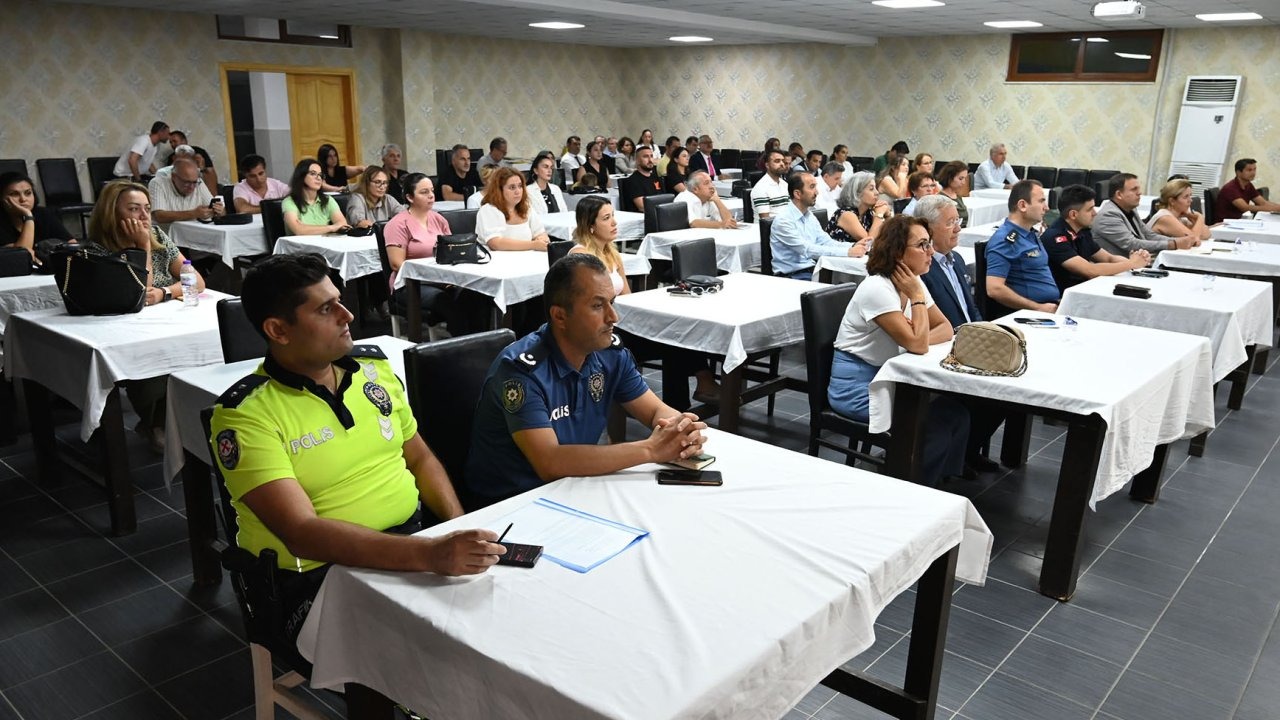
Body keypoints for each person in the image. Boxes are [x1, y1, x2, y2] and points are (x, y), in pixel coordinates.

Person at [208, 252, 503, 655]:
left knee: (504, 610)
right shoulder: (245, 416)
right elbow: (303, 534)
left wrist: (456, 527)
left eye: (340, 300)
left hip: (412, 543)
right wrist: (430, 554)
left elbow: (419, 458)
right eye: (326, 309)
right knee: (445, 649)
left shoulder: (372, 372)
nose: (348, 315)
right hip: (316, 580)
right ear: (278, 329)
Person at [463, 253, 707, 507]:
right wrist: (650, 449)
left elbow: (655, 409)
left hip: (576, 485)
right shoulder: (521, 372)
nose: (613, 317)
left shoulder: (609, 354)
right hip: (511, 503)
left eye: (611, 302)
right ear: (560, 316)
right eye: (598, 306)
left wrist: (680, 430)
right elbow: (550, 461)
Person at [828, 215, 966, 487]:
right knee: (931, 424)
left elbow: (946, 328)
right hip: (858, 387)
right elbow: (918, 344)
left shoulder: (912, 281)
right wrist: (916, 303)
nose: (931, 251)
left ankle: (938, 480)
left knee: (956, 412)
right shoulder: (878, 288)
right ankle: (907, 482)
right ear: (898, 252)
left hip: (890, 376)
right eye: (922, 245)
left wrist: (918, 330)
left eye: (929, 244)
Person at [91, 180, 206, 452]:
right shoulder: (99, 248)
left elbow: (197, 281)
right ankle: (155, 422)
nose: (143, 216)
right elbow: (139, 294)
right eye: (134, 209)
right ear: (112, 212)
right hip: (128, 327)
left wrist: (166, 291)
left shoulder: (156, 234)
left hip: (170, 318)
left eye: (147, 208)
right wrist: (142, 247)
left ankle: (184, 416)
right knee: (152, 356)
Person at [916, 194, 1006, 476]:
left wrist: (984, 333)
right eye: (950, 222)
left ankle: (967, 449)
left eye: (958, 221)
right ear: (928, 229)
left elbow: (972, 308)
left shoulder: (955, 260)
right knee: (993, 392)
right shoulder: (922, 268)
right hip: (944, 349)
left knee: (1007, 392)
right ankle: (960, 453)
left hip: (968, 341)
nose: (958, 228)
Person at [383, 173, 463, 334]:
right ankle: (462, 346)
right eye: (424, 192)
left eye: (432, 191)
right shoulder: (398, 224)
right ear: (410, 197)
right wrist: (435, 279)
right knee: (446, 301)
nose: (431, 195)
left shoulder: (439, 219)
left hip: (443, 278)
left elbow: (450, 251)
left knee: (473, 295)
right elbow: (396, 263)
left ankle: (480, 339)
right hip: (410, 284)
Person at [1043, 184, 1150, 293]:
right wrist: (1131, 264)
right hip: (1066, 296)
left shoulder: (1082, 231)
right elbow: (1090, 270)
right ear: (1073, 214)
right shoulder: (1055, 237)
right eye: (1090, 209)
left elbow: (1109, 258)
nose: (1095, 213)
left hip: (1085, 289)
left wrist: (1137, 261)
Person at [984, 180, 1059, 313]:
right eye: (1041, 201)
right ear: (1023, 205)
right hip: (1031, 312)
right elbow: (994, 289)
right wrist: (1038, 308)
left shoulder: (1029, 233)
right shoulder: (1005, 240)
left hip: (1048, 306)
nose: (1046, 208)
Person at [771, 172, 861, 280]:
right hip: (793, 276)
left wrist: (852, 246)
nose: (817, 192)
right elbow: (808, 250)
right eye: (812, 187)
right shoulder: (784, 221)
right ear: (797, 194)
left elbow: (826, 241)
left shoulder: (809, 216)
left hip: (813, 269)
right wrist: (848, 252)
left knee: (851, 283)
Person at [1094, 173, 1197, 256]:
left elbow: (1148, 235)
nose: (1140, 193)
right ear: (1119, 195)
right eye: (1134, 190)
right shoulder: (1109, 215)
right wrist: (1173, 244)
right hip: (1117, 269)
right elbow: (1131, 244)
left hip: (1137, 262)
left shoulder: (1131, 209)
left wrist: (1179, 241)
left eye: (1139, 189)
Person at [1, 172, 73, 260]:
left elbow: (72, 243)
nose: (23, 199)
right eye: (14, 194)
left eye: (28, 193)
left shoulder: (43, 214)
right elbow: (21, 257)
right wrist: (28, 216)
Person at [475, 166, 550, 251]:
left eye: (520, 186)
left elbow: (540, 233)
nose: (518, 191)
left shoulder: (527, 207)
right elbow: (495, 243)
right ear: (499, 190)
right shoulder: (488, 210)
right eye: (512, 187)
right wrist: (533, 245)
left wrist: (542, 240)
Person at [149, 157, 223, 234]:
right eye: (187, 182)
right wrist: (194, 213)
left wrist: (219, 211)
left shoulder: (199, 183)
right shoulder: (158, 183)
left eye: (194, 182)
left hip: (193, 236)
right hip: (166, 239)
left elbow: (214, 207)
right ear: (174, 177)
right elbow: (159, 216)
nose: (191, 187)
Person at [282, 159, 350, 236]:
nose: (318, 178)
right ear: (301, 176)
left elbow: (343, 224)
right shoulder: (289, 202)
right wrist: (331, 228)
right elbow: (298, 230)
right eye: (313, 174)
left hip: (323, 245)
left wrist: (306, 228)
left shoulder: (328, 200)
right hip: (299, 247)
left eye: (320, 175)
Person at [828, 171, 888, 247]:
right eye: (871, 189)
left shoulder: (867, 213)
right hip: (838, 257)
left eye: (876, 188)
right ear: (857, 193)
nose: (877, 193)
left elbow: (888, 236)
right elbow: (869, 243)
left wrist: (887, 214)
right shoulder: (846, 215)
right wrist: (879, 214)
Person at [1147, 178, 1211, 244]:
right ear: (1172, 201)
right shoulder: (1164, 217)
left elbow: (1206, 234)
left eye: (1190, 196)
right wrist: (1200, 218)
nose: (1190, 200)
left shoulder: (1179, 217)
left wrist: (1193, 219)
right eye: (1185, 197)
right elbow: (1193, 240)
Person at [167, 130, 218, 195]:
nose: (172, 144)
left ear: (184, 141)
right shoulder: (172, 157)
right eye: (170, 142)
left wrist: (201, 168)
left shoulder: (199, 151)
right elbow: (168, 175)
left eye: (174, 141)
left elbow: (210, 171)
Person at [619, 147, 664, 212]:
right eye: (645, 157)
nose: (650, 160)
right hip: (641, 218)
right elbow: (642, 207)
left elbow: (665, 198)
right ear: (637, 160)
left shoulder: (656, 178)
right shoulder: (632, 181)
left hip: (659, 213)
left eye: (651, 156)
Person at [750, 149, 790, 219]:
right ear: (767, 165)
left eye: (783, 161)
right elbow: (765, 220)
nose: (782, 164)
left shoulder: (785, 184)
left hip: (786, 225)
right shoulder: (761, 188)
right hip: (769, 228)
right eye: (777, 161)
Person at [526, 151, 567, 216]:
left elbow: (564, 211)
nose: (549, 170)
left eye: (551, 167)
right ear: (536, 170)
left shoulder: (556, 189)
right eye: (545, 167)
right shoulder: (528, 191)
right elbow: (533, 216)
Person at [936, 161, 971, 228]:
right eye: (960, 179)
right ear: (949, 178)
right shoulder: (941, 199)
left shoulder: (958, 196)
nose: (963, 182)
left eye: (965, 178)